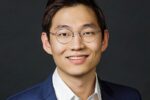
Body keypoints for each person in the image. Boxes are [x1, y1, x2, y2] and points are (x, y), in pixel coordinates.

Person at [7, 0, 142, 100]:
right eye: (64, 34)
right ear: (47, 43)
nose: (77, 45)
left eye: (87, 33)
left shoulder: (130, 97)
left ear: (104, 40)